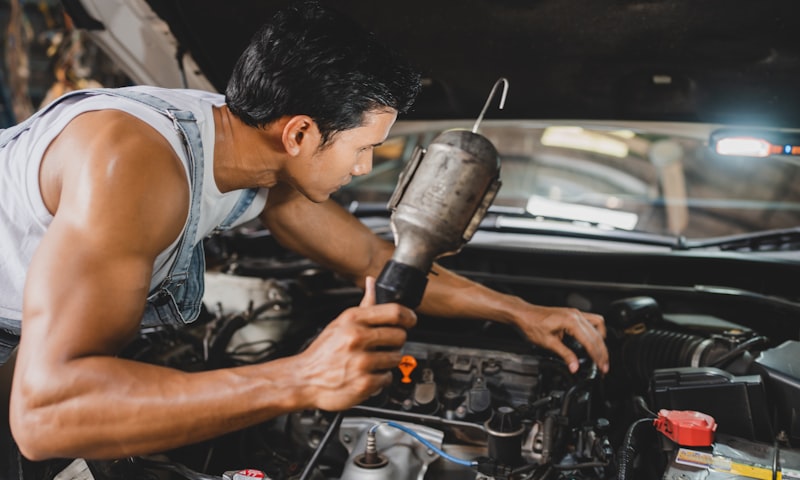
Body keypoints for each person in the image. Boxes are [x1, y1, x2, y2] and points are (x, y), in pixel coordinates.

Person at [0, 0, 608, 471]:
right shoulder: (133, 164)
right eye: (365, 148)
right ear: (298, 134)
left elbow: (373, 257)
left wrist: (520, 312)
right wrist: (301, 376)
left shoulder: (253, 153)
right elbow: (45, 413)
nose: (366, 168)